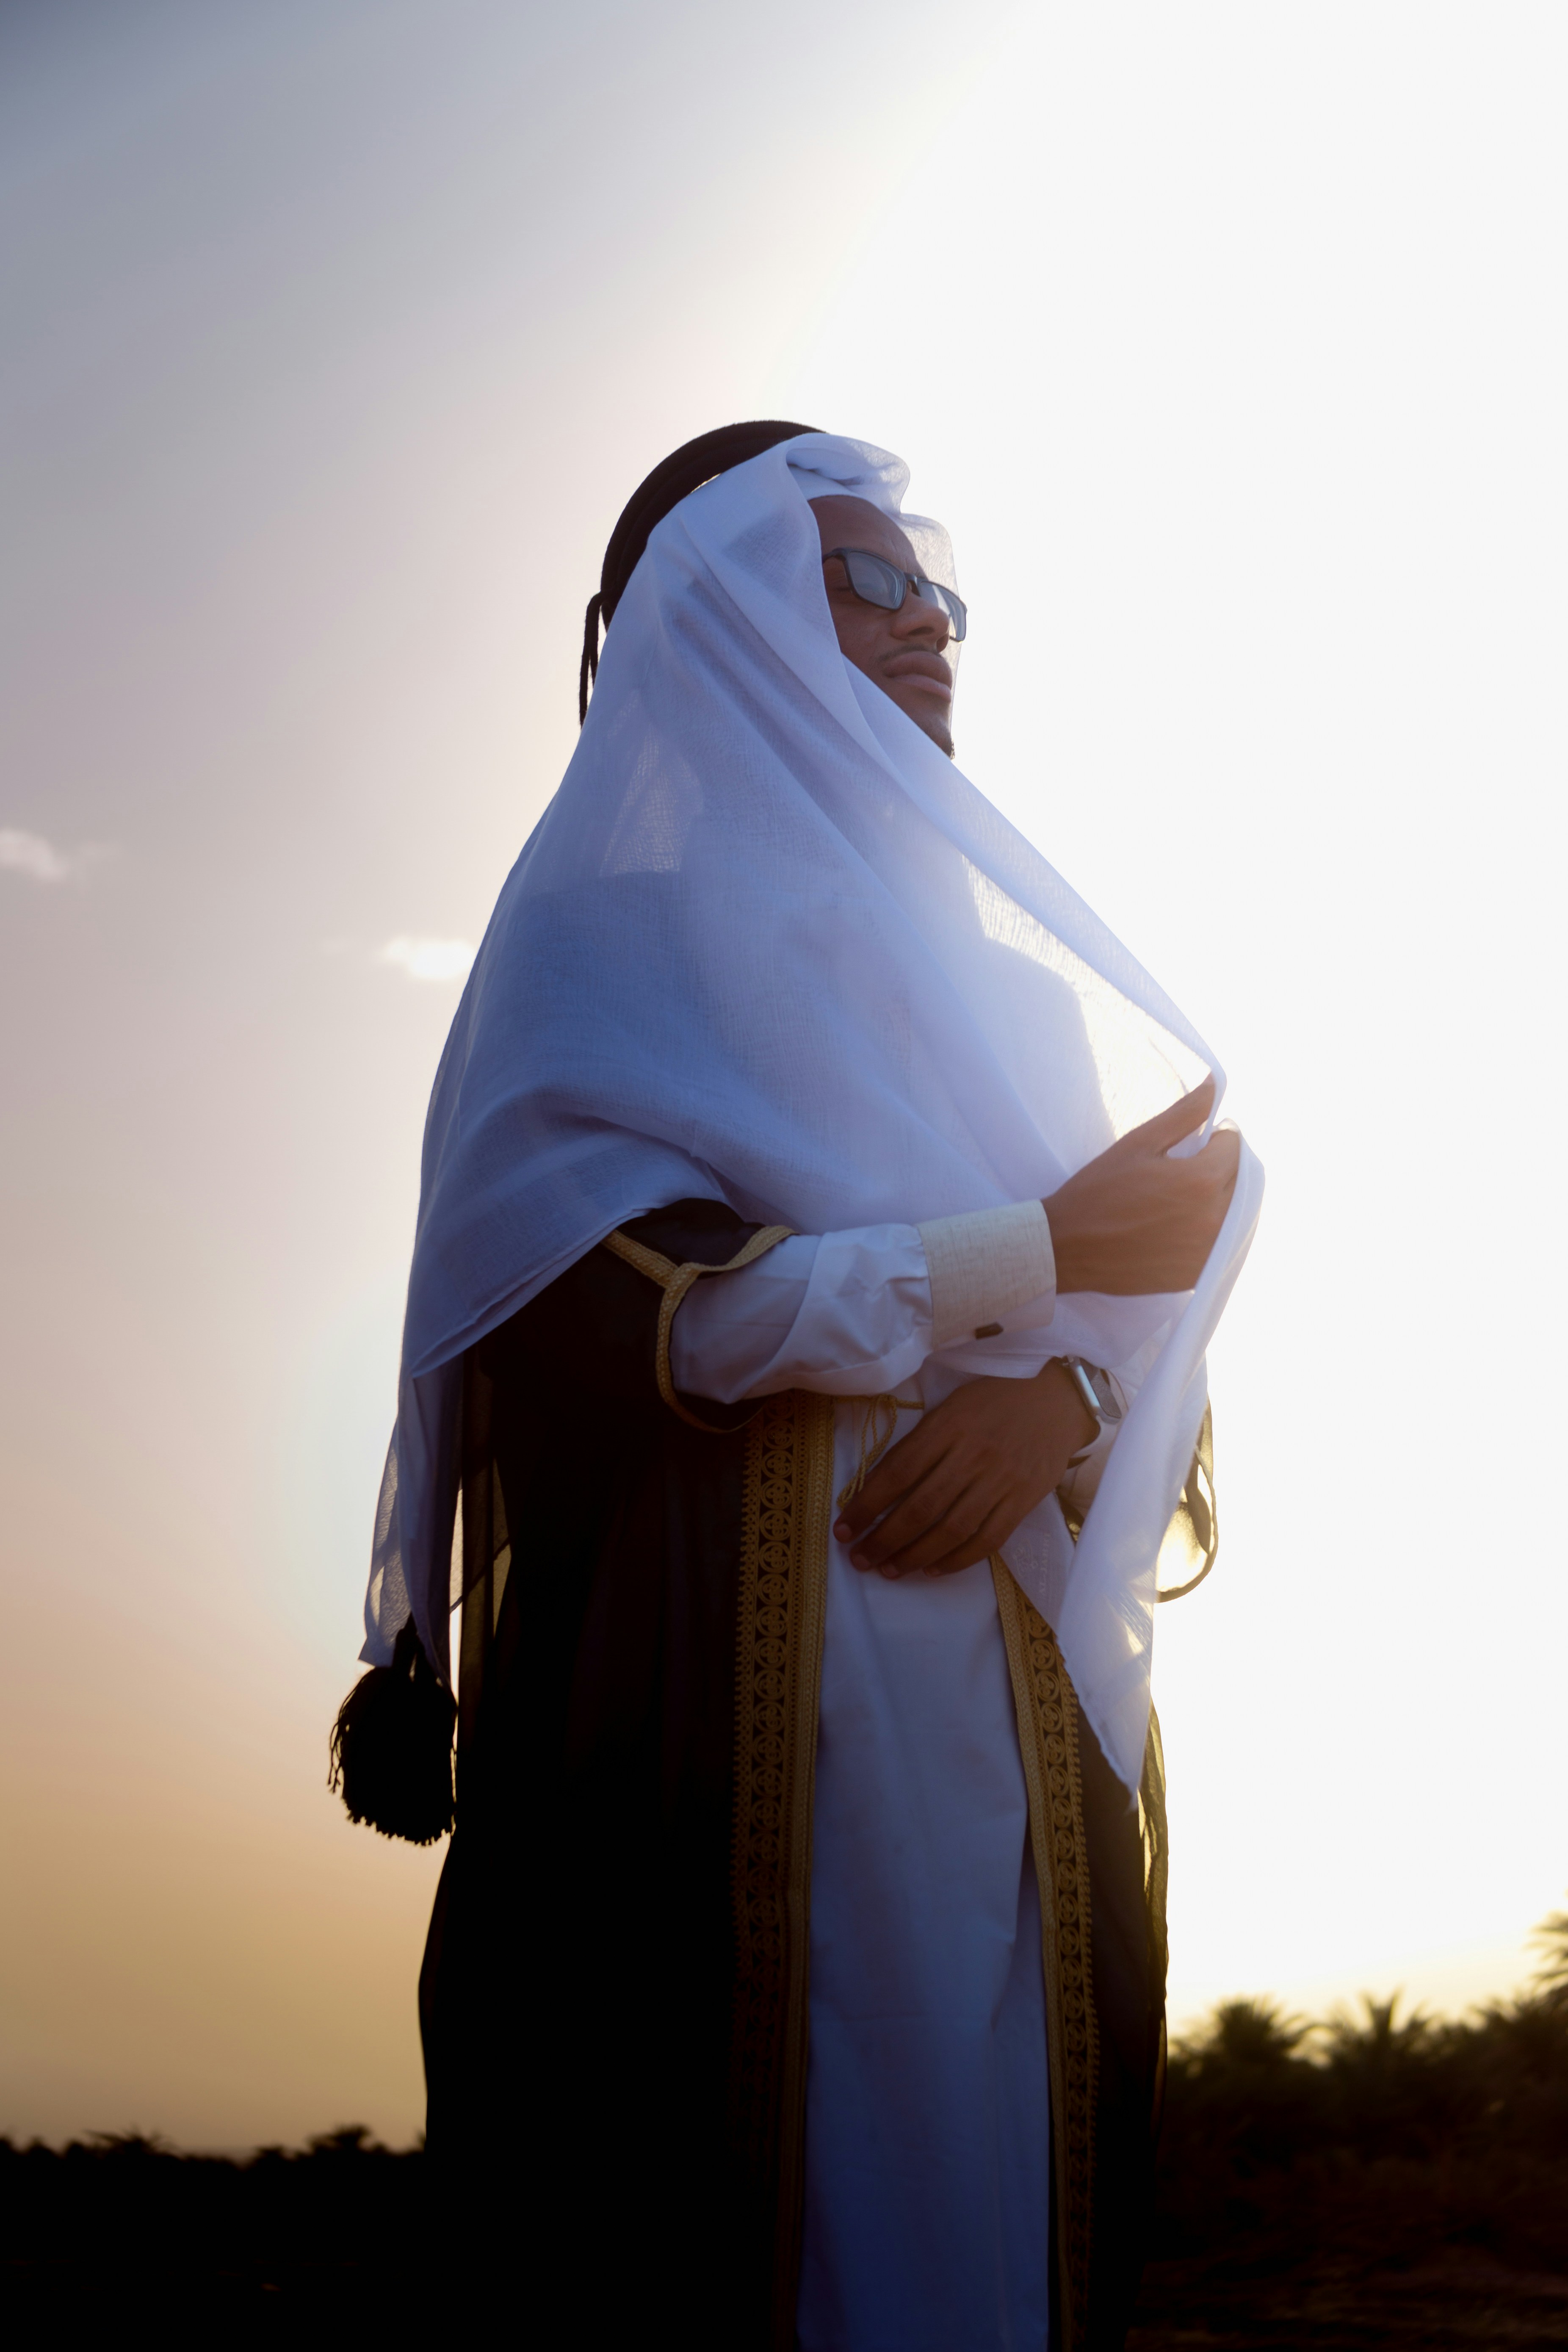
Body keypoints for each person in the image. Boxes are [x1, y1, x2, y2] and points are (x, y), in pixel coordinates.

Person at [333, 423, 1261, 2351]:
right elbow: (624, 1322)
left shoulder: (1013, 1003)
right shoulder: (596, 958)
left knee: (984, 2206)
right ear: (728, 619)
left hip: (1009, 1740)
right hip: (705, 1711)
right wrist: (1032, 1261)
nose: (927, 626)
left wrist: (1067, 1410)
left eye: (936, 591)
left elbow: (1151, 1349)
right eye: (865, 581)